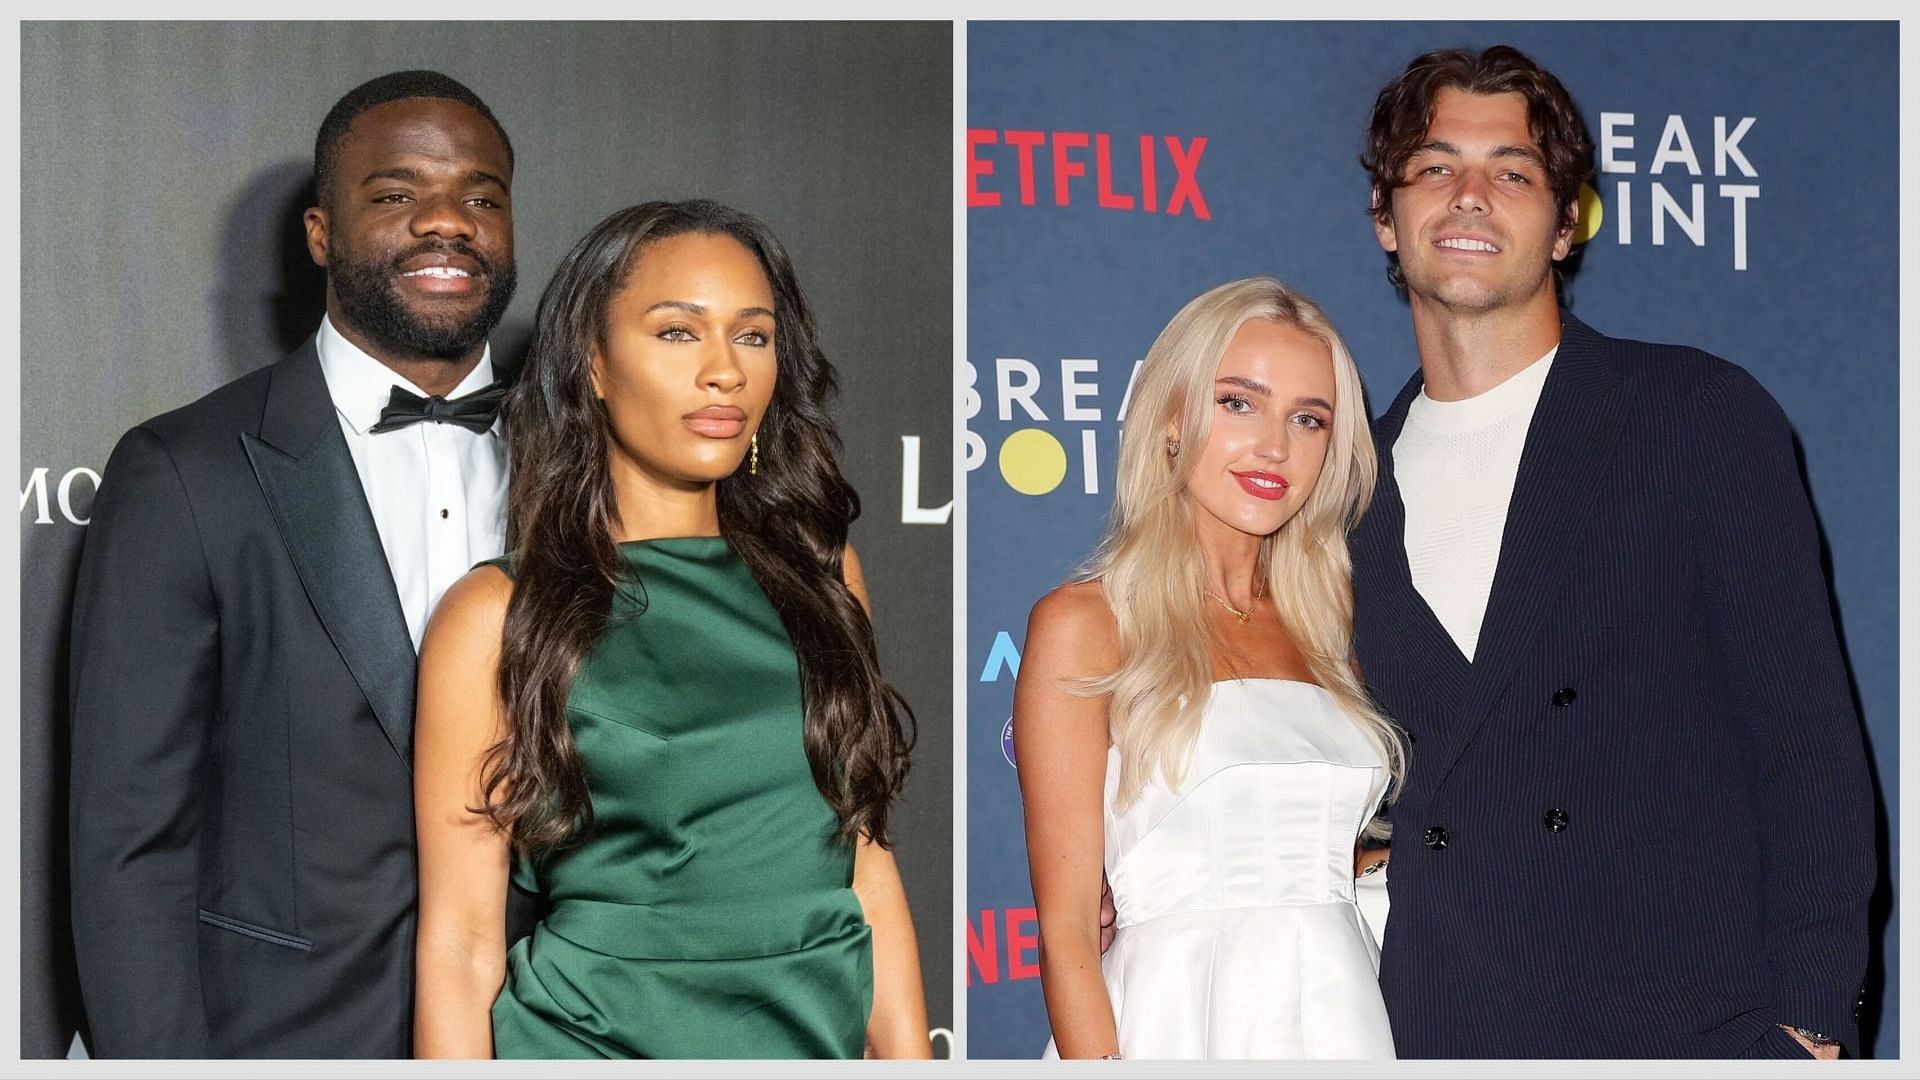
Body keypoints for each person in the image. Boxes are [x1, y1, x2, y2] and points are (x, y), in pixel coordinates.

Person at [1349, 46, 1875, 1058]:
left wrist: (1811, 1019)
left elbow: (1805, 742)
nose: (1469, 195)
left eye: (1511, 171)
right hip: (1446, 1026)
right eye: (1433, 166)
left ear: (1564, 222)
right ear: (1387, 213)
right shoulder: (1341, 489)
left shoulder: (1693, 417)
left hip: (1689, 1025)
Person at [410, 199, 932, 1060]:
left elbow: (864, 862)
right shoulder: (497, 614)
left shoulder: (822, 574)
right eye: (679, 333)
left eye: (753, 336)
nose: (725, 371)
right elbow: (462, 947)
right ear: (595, 366)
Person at [67, 70, 518, 1058]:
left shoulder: (592, 472)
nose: (449, 223)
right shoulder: (184, 473)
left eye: (482, 197)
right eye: (396, 195)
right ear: (321, 235)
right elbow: (129, 845)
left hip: (544, 1039)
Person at [1016, 277, 1404, 1060]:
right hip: (1173, 1024)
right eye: (1238, 403)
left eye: (1308, 420)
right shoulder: (1086, 625)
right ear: (1170, 418)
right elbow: (1064, 937)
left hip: (1344, 1020)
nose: (1274, 447)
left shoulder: (1333, 630)